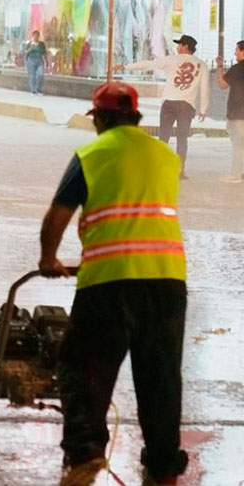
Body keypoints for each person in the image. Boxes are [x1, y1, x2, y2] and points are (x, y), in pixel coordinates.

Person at [38, 82, 188, 486]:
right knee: (161, 378)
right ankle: (163, 467)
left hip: (108, 281)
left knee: (82, 367)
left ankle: (86, 452)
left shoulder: (92, 154)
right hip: (168, 281)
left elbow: (59, 214)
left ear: (101, 119)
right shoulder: (166, 156)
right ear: (134, 118)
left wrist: (48, 259)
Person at [117, 35, 210, 177]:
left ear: (186, 46)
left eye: (179, 45)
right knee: (182, 139)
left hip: (169, 103)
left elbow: (149, 64)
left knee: (163, 137)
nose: (177, 47)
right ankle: (180, 171)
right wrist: (203, 109)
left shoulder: (171, 60)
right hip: (187, 106)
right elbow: (205, 88)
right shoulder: (202, 65)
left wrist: (125, 67)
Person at [217, 40, 244, 183]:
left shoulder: (237, 69)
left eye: (237, 50)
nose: (235, 53)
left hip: (238, 114)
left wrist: (219, 67)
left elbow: (222, 84)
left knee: (238, 145)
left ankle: (236, 174)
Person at [24, 30, 50, 96]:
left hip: (39, 60)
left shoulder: (41, 44)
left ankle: (38, 89)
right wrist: (31, 48)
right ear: (32, 36)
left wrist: (46, 61)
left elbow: (44, 53)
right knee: (32, 76)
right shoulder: (30, 44)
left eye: (37, 35)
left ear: (39, 36)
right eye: (35, 35)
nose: (36, 37)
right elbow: (25, 52)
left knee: (40, 74)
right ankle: (33, 90)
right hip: (31, 60)